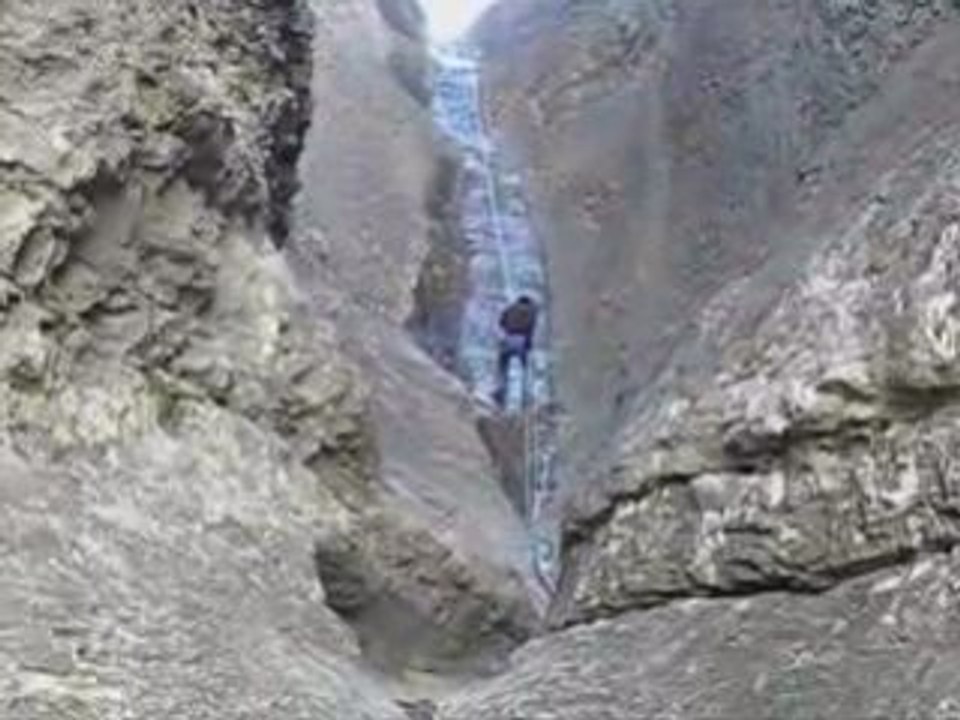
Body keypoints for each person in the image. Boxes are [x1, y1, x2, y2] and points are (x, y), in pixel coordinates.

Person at [494, 295, 538, 407]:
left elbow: (501, 323)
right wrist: (528, 344)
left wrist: (507, 329)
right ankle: (527, 393)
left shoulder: (510, 308)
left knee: (502, 365)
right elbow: (531, 328)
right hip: (522, 341)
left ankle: (500, 389)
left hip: (508, 339)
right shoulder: (532, 311)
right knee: (526, 368)